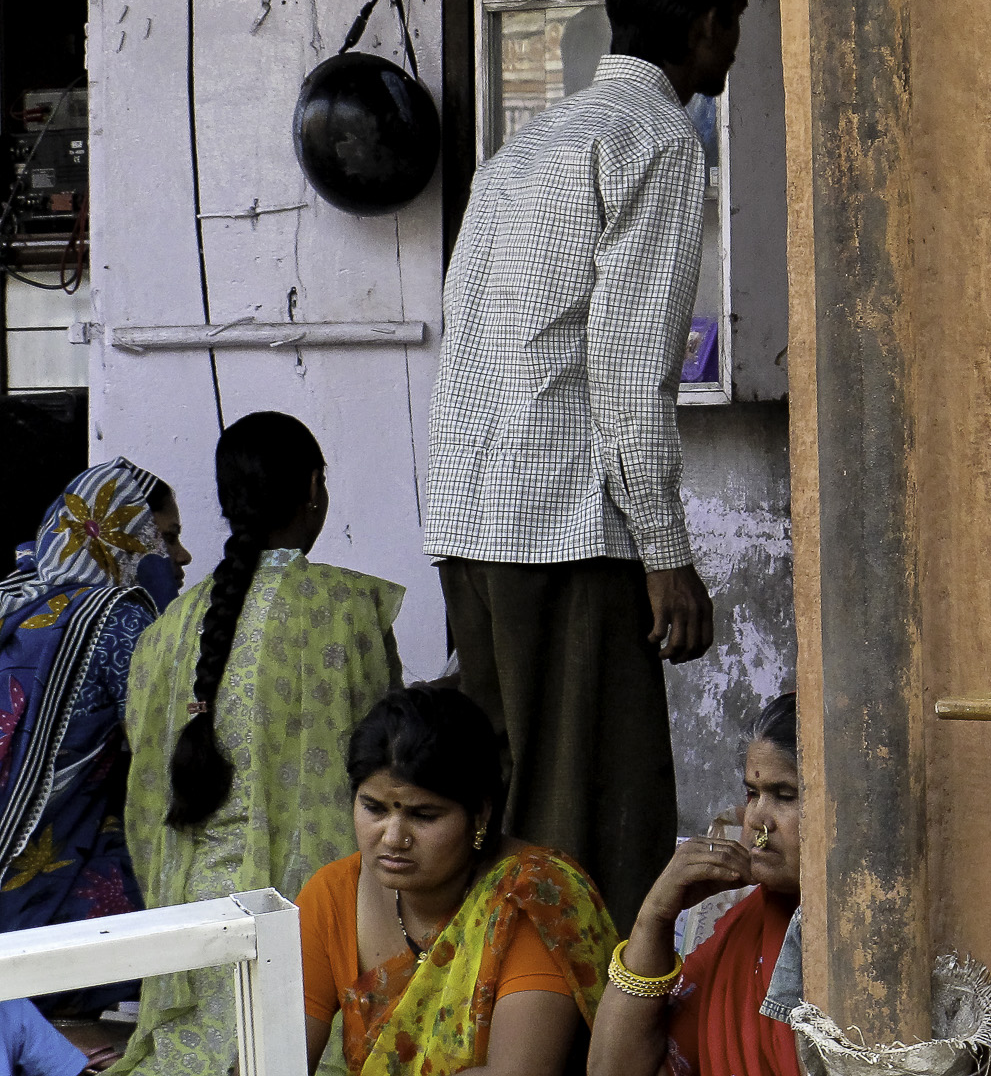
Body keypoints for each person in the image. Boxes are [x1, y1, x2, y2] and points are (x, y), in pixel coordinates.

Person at [425, 0, 756, 924]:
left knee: (495, 815)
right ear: (704, 26)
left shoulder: (532, 145)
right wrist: (665, 550)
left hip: (472, 516)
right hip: (565, 531)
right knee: (584, 827)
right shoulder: (655, 141)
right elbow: (625, 372)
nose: (734, 45)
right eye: (734, 21)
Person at [114, 413, 403, 1076]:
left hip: (193, 940)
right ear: (313, 489)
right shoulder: (351, 607)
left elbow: (144, 798)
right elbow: (393, 772)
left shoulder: (170, 628)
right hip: (317, 928)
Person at [297, 685, 615, 1076]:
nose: (393, 837)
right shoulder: (333, 893)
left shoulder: (532, 896)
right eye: (374, 808)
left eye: (424, 815)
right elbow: (273, 1058)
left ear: (480, 814)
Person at [0, 461, 190, 1011]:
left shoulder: (19, 596)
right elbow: (170, 741)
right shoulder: (113, 619)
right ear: (121, 536)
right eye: (168, 538)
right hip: (26, 893)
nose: (181, 557)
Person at [589, 693, 802, 1076]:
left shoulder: (870, 936)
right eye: (753, 794)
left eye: (784, 795)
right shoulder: (742, 934)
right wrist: (653, 919)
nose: (756, 819)